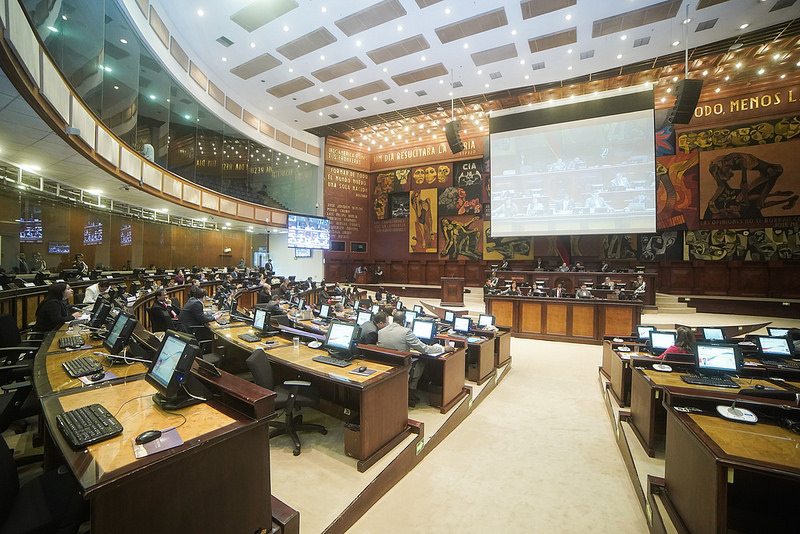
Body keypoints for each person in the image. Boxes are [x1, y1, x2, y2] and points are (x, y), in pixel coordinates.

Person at [379, 310, 455, 407]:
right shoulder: (406, 332)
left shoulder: (381, 331)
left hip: (387, 367)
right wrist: (443, 348)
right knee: (421, 362)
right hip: (402, 369)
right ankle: (411, 394)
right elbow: (425, 349)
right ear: (404, 321)